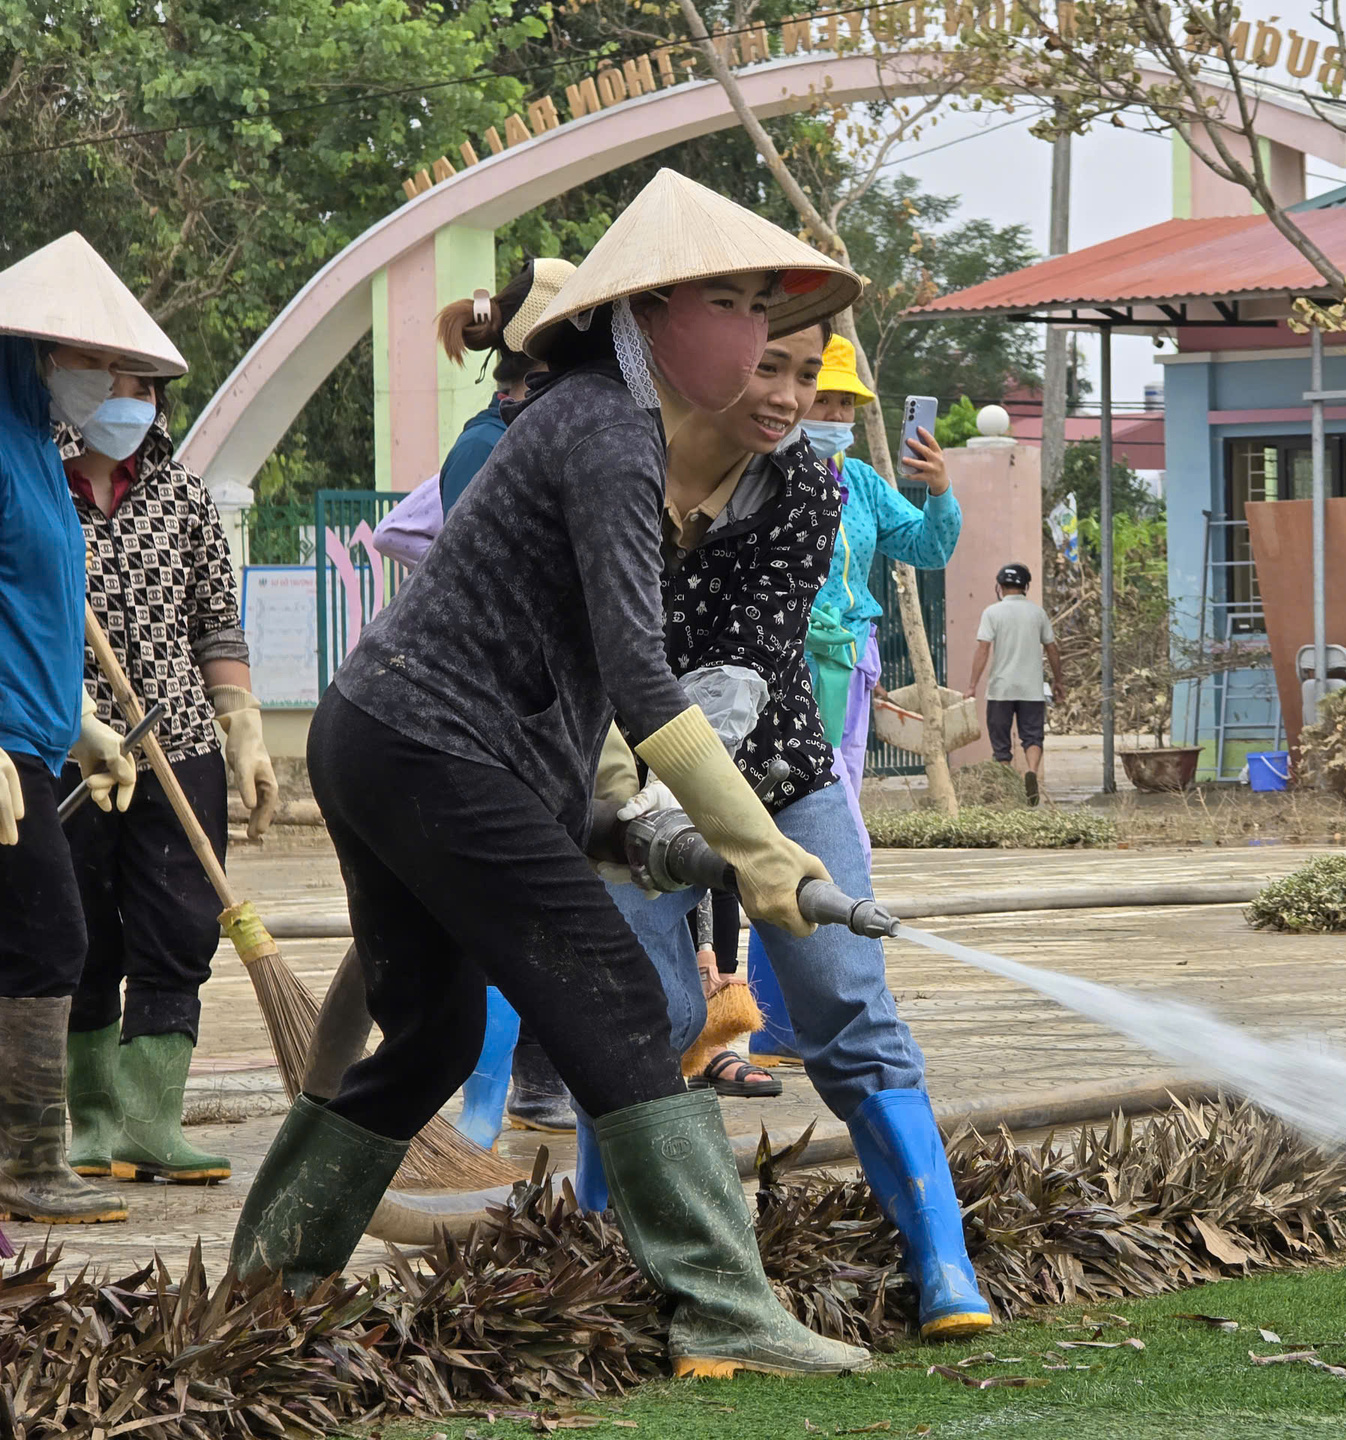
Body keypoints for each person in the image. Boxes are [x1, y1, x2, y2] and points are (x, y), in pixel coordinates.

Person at [227, 170, 873, 1380]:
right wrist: (761, 851)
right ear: (649, 317)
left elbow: (569, 687)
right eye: (727, 305)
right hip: (429, 747)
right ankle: (726, 1307)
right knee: (620, 1005)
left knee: (426, 1042)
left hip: (385, 736)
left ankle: (263, 1295)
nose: (751, 336)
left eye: (757, 308)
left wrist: (615, 817)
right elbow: (640, 676)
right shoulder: (608, 431)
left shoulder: (599, 425)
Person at [577, 318, 995, 1343]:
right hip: (613, 785)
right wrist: (633, 801)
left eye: (806, 375)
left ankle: (940, 1259)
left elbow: (748, 653)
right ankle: (595, 1246)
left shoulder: (811, 486)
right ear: (693, 357)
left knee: (849, 1002)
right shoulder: (603, 470)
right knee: (644, 1020)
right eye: (770, 368)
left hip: (780, 768)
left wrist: (732, 827)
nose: (791, 395)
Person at [57, 367, 277, 1188]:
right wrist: (75, 722)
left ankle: (151, 1123)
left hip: (178, 740)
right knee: (77, 930)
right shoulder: (39, 487)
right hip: (70, 744)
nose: (127, 400)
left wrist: (244, 728)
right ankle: (93, 1120)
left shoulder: (183, 496)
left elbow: (216, 620)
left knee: (181, 925)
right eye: (109, 381)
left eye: (143, 386)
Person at [0, 232, 168, 1225]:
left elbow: (34, 615)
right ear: (38, 348)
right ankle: (27, 1165)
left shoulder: (34, 447)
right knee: (50, 939)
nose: (109, 382)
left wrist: (83, 723)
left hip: (32, 734)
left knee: (30, 942)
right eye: (93, 361)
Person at [743, 335, 958, 1065]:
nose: (829, 410)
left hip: (853, 662)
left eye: (842, 401)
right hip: (788, 662)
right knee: (806, 829)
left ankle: (791, 1020)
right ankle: (783, 1016)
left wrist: (938, 490)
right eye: (822, 396)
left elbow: (927, 549)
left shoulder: (861, 481)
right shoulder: (761, 469)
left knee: (833, 829)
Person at [430, 257, 585, 1144]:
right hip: (496, 708)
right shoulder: (490, 449)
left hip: (551, 710)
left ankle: (536, 1074)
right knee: (508, 903)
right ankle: (488, 1102)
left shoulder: (536, 434)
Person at [967, 562, 1066, 804]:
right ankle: (1031, 771)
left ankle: (1007, 781)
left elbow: (983, 649)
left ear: (1000, 586)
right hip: (1031, 688)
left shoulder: (992, 612)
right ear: (1026, 587)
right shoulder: (1037, 613)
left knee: (1001, 742)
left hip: (1001, 688)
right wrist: (1058, 680)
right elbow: (1052, 650)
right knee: (1032, 737)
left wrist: (972, 684)